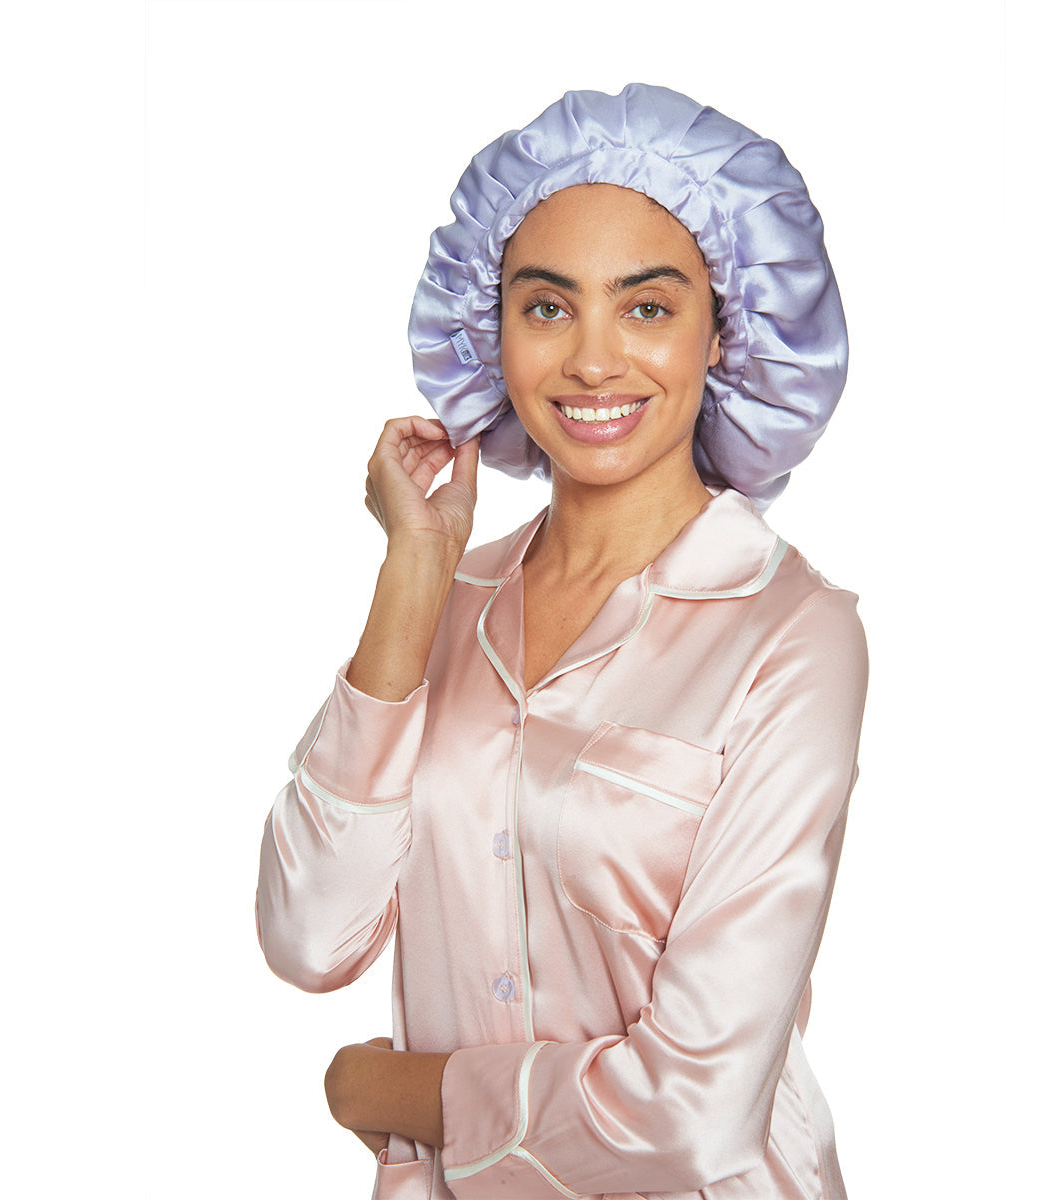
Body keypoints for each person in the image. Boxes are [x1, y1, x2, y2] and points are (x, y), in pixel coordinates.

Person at [257, 83, 868, 1200]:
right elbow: (309, 935)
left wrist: (395, 1092)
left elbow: (692, 1114)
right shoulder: (447, 603)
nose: (592, 361)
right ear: (492, 331)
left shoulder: (792, 635)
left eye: (647, 308)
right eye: (547, 307)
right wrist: (414, 573)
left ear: (725, 330)